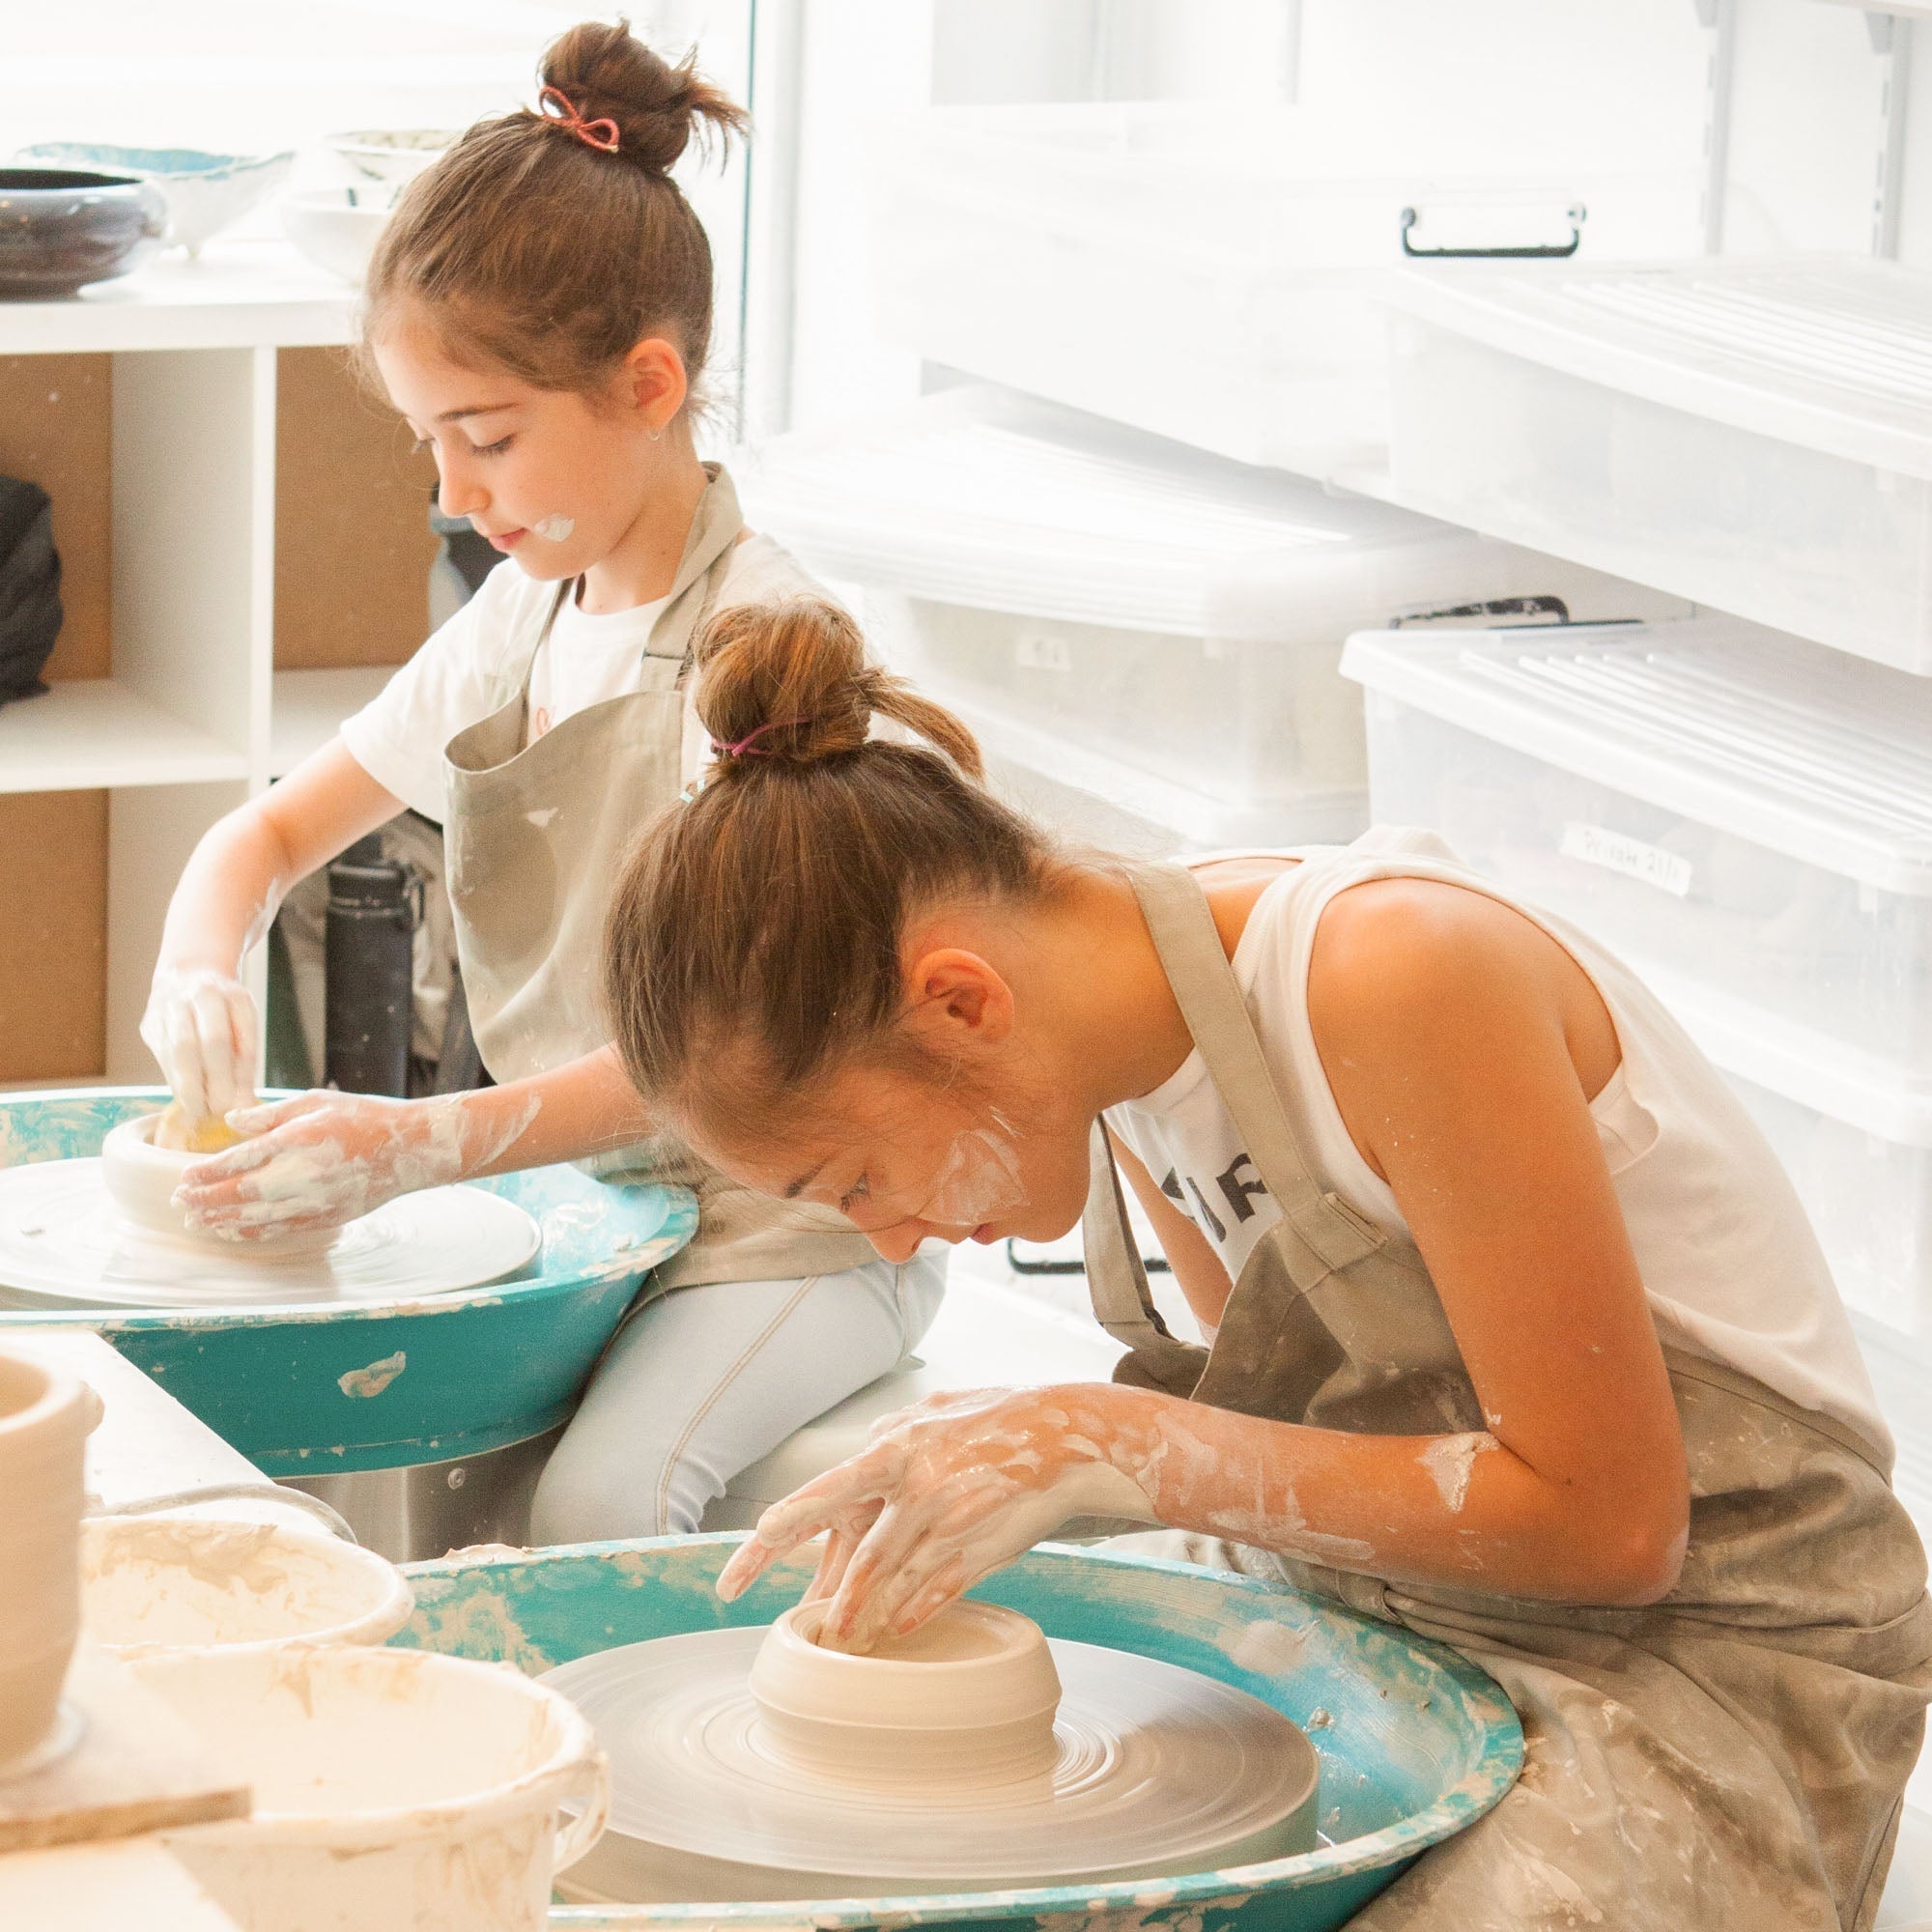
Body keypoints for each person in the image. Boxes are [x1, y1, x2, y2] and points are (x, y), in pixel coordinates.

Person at [597, 594, 1931, 1930]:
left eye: (861, 1184)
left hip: (1717, 1640)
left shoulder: (1397, 974)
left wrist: (1113, 1440)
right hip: (1425, 1598)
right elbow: (1308, 1454)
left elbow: (1613, 1525)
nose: (890, 1241)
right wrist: (1032, 1464)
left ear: (961, 1004)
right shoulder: (1116, 1060)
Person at [136, 23, 942, 1541]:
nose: (453, 495)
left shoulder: (765, 649)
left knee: (596, 1501)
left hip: (795, 1225)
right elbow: (264, 834)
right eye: (431, 443)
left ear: (650, 383)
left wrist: (421, 1143)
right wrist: (198, 970)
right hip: (601, 1203)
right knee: (384, 1467)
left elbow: (724, 1063)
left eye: (488, 438)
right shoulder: (523, 614)